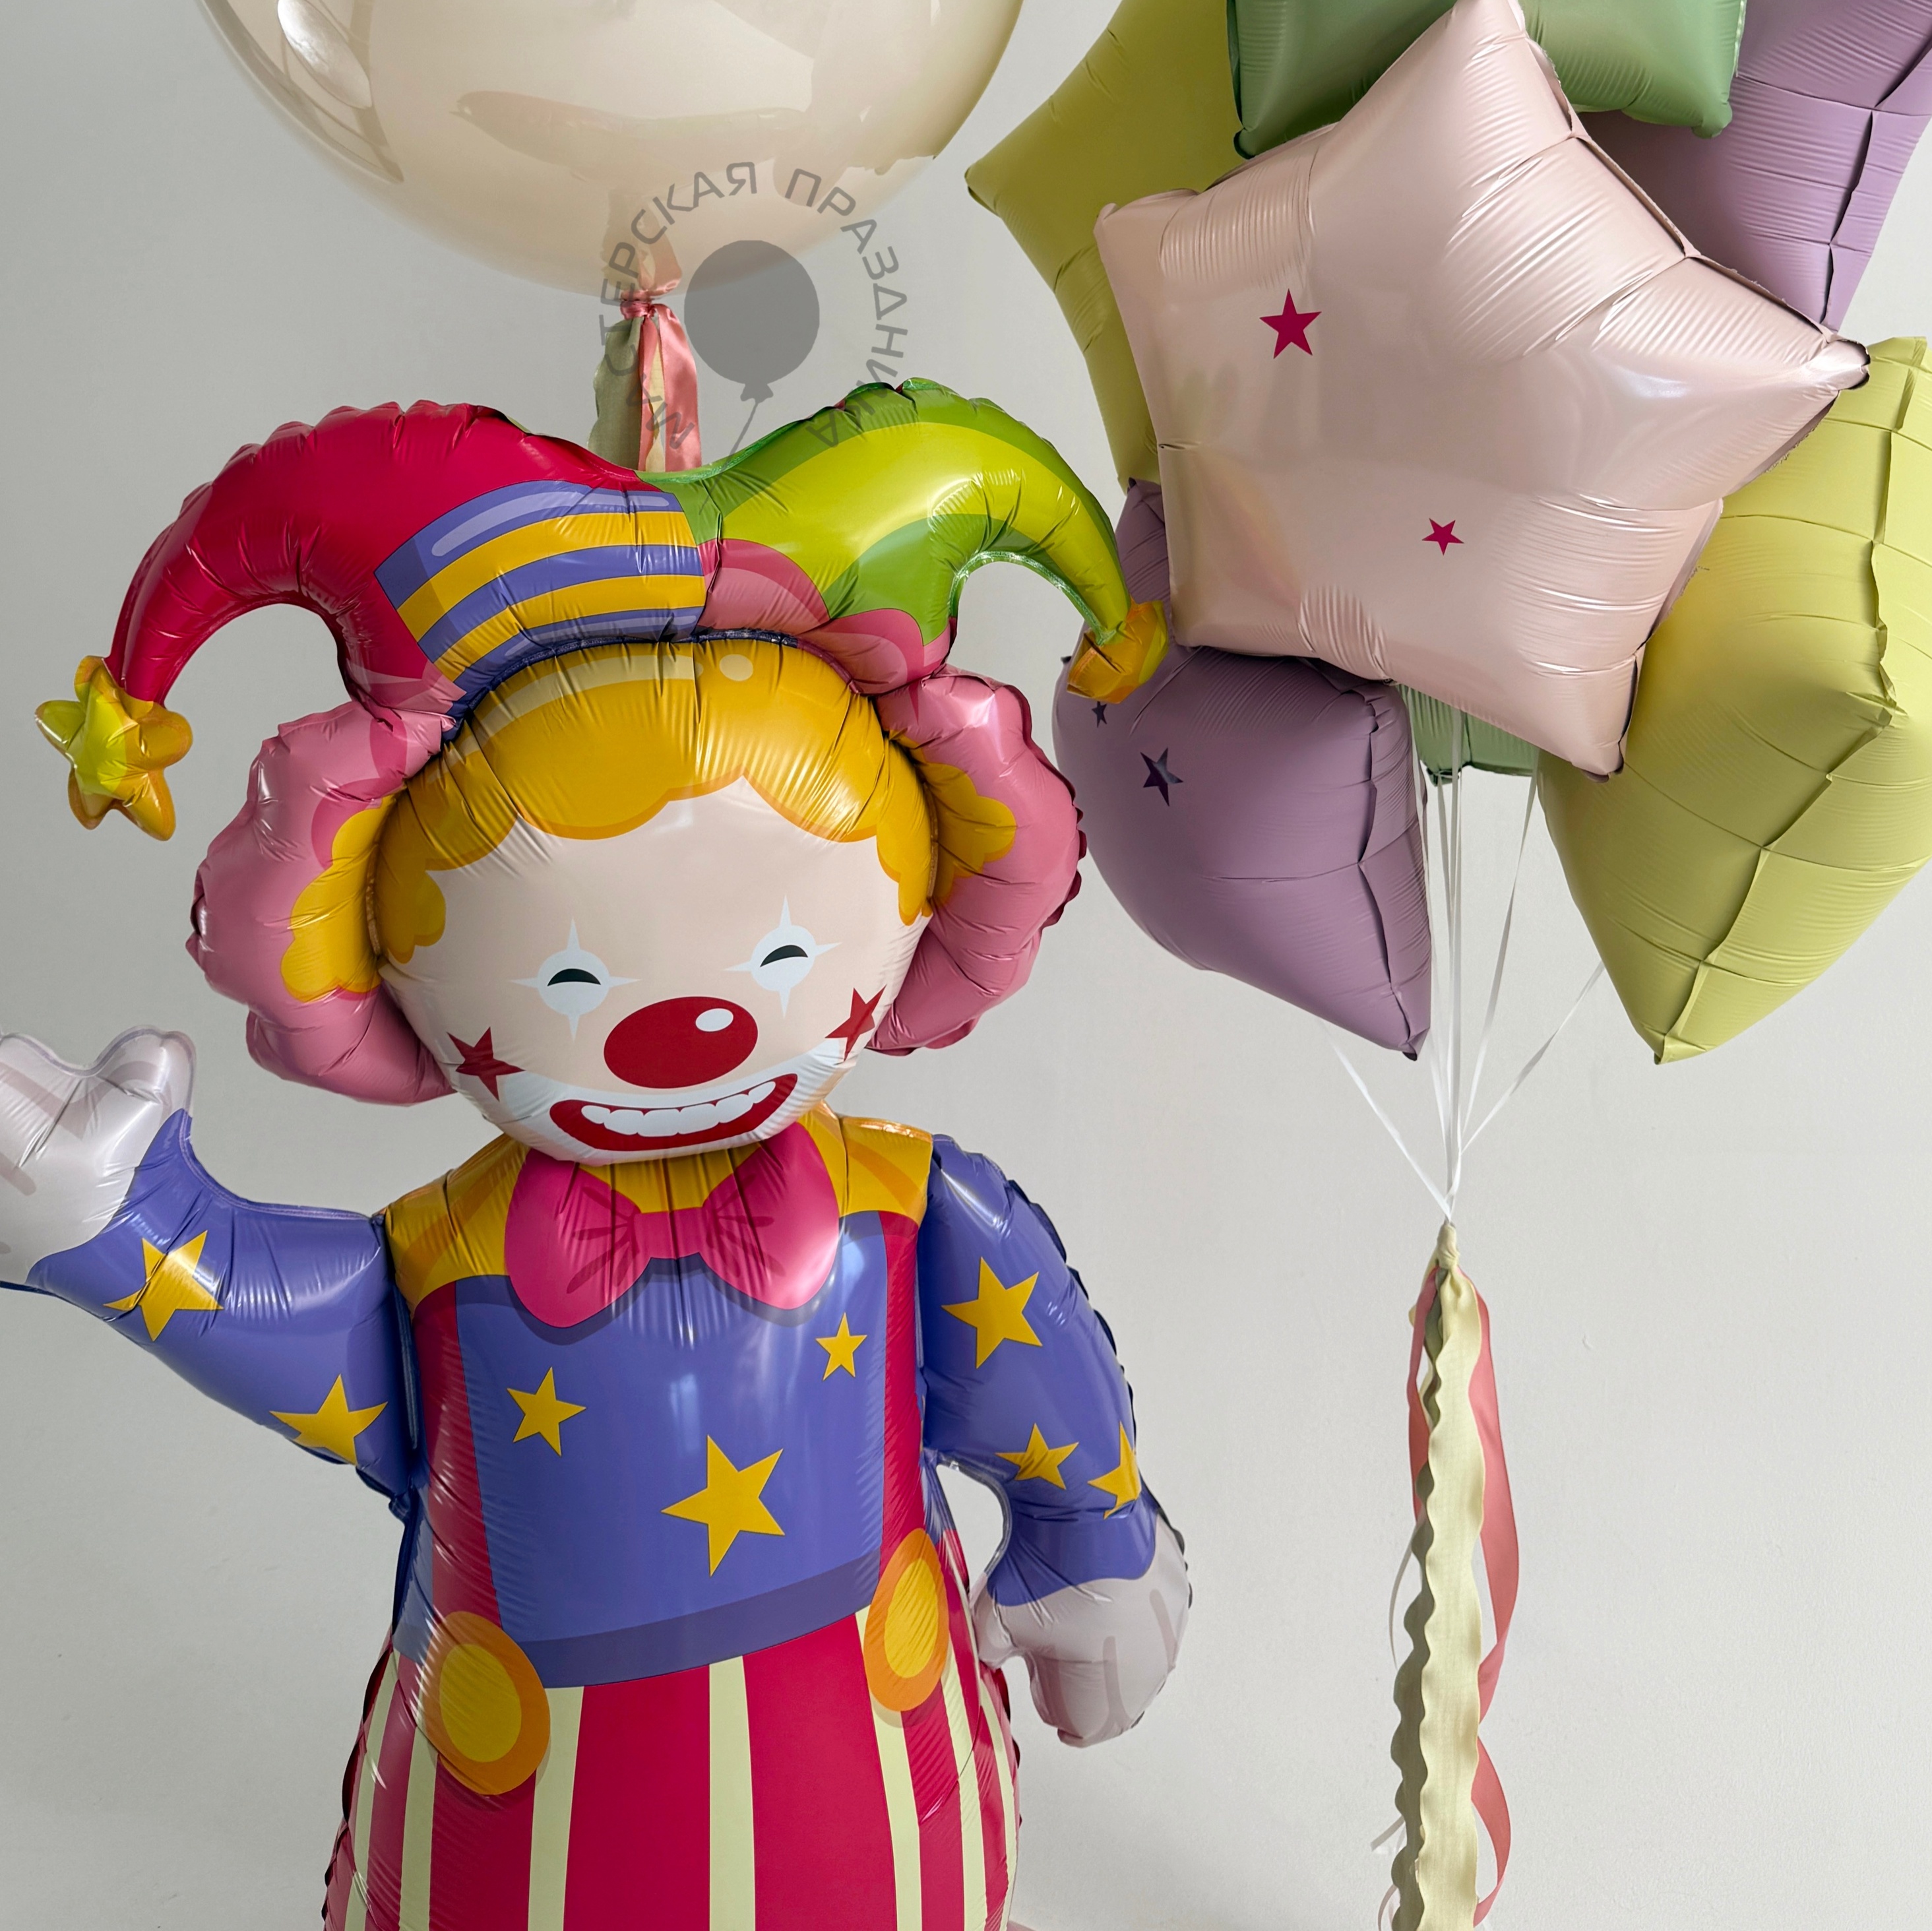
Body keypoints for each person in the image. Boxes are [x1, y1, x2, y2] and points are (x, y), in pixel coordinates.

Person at [13, 383, 1181, 1931]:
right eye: (570, 975)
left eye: (784, 949)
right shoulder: (447, 1263)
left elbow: (1040, 1381)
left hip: (876, 1780)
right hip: (516, 1819)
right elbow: (297, 1333)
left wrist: (1096, 1534)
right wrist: (125, 1227)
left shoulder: (912, 1214)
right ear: (380, 967)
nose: (692, 1025)